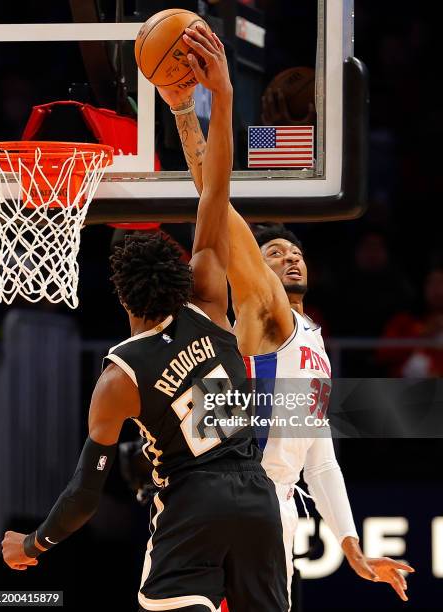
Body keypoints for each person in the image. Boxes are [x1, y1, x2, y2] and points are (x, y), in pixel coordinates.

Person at [2, 29, 289, 612]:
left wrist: (33, 543)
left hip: (192, 507)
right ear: (184, 276)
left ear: (122, 296)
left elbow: (86, 492)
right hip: (257, 500)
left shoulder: (119, 379)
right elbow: (215, 191)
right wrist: (218, 96)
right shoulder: (210, 302)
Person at [160, 23, 415, 610]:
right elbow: (218, 207)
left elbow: (320, 456)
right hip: (231, 492)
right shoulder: (264, 308)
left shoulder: (312, 341)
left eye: (293, 250)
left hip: (270, 507)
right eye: (272, 254)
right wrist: (186, 112)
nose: (287, 255)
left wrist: (351, 545)